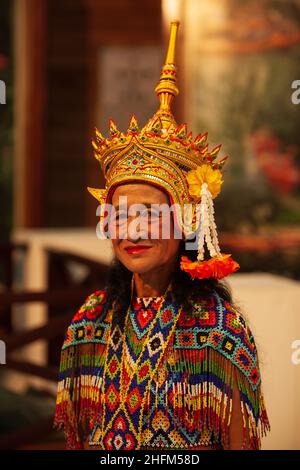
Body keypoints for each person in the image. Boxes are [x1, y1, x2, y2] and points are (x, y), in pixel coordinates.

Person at [54, 21, 270, 450]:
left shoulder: (221, 331)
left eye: (151, 214)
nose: (133, 230)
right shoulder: (89, 322)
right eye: (120, 214)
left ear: (186, 220)